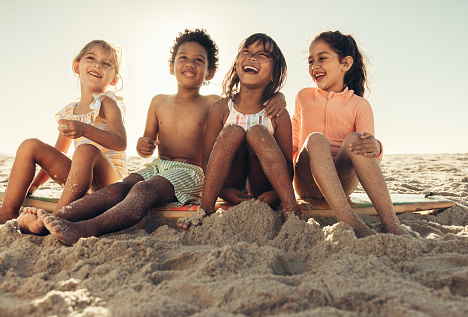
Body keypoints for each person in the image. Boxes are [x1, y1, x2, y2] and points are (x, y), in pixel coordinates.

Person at [37, 29, 286, 245]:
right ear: (171, 66)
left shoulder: (214, 103)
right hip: (158, 165)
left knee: (143, 190)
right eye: (183, 58)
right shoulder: (158, 102)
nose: (190, 63)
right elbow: (146, 145)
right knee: (120, 187)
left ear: (210, 73)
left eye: (199, 60)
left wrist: (278, 96)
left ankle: (87, 228)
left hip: (191, 171)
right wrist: (143, 145)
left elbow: (242, 106)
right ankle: (59, 217)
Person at [0, 40, 127, 233]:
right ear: (77, 66)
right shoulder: (69, 111)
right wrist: (34, 185)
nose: (98, 65)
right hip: (80, 181)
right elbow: (59, 152)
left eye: (107, 64)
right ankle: (8, 213)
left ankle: (57, 217)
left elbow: (121, 142)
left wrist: (85, 130)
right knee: (30, 145)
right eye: (91, 58)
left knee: (85, 150)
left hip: (109, 181)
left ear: (114, 79)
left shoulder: (108, 104)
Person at [292, 30, 409, 238]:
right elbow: (292, 144)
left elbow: (369, 154)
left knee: (358, 139)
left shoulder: (359, 105)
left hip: (341, 183)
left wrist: (378, 147)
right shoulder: (304, 97)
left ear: (345, 64)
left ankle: (391, 222)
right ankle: (348, 218)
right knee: (316, 139)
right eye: (310, 61)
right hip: (306, 181)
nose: (314, 66)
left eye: (322, 58)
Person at [178, 33, 301, 230]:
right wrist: (224, 191)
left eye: (262, 55)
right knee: (232, 132)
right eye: (247, 52)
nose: (252, 57)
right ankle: (206, 209)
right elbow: (207, 160)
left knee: (258, 133)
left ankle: (291, 209)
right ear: (237, 63)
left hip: (265, 190)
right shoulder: (221, 108)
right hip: (232, 186)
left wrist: (276, 195)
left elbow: (287, 164)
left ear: (273, 74)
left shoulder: (278, 113)